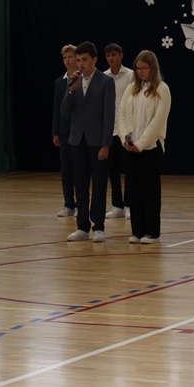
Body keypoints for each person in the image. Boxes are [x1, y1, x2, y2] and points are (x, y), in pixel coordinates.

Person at [60, 41, 116, 242]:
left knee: (99, 185)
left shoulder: (106, 81)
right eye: (78, 60)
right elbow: (64, 111)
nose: (80, 64)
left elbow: (109, 115)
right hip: (77, 140)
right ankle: (82, 227)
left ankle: (98, 226)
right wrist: (71, 91)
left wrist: (105, 144)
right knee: (80, 185)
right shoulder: (73, 81)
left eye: (84, 60)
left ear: (94, 60)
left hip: (97, 141)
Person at [116, 50, 170, 244]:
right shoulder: (131, 88)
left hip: (151, 148)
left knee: (149, 191)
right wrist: (126, 139)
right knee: (133, 189)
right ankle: (137, 231)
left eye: (144, 68)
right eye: (137, 68)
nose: (140, 72)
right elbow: (122, 115)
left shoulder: (162, 89)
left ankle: (152, 232)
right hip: (131, 148)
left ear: (152, 68)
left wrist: (141, 144)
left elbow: (157, 122)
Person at [103, 44, 134, 220]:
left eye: (114, 55)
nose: (111, 58)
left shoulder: (130, 75)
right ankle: (117, 205)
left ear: (121, 55)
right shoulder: (104, 77)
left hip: (128, 130)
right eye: (108, 55)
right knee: (112, 169)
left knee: (129, 168)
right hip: (110, 129)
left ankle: (129, 204)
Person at [52, 44, 78, 218]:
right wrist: (55, 131)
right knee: (66, 169)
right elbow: (56, 108)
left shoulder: (83, 79)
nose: (67, 60)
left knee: (79, 169)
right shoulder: (59, 82)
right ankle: (69, 204)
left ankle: (81, 204)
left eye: (70, 57)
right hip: (64, 130)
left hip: (80, 129)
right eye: (65, 58)